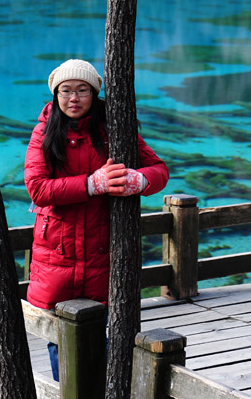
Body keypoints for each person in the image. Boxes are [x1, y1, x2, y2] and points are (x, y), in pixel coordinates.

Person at [24, 58, 169, 381]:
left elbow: (159, 170)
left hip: (103, 254)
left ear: (94, 94)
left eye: (82, 90)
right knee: (60, 338)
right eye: (65, 91)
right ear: (55, 95)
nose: (73, 98)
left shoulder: (112, 129)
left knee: (107, 337)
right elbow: (37, 189)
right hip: (56, 257)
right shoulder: (44, 133)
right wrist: (93, 184)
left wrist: (139, 181)